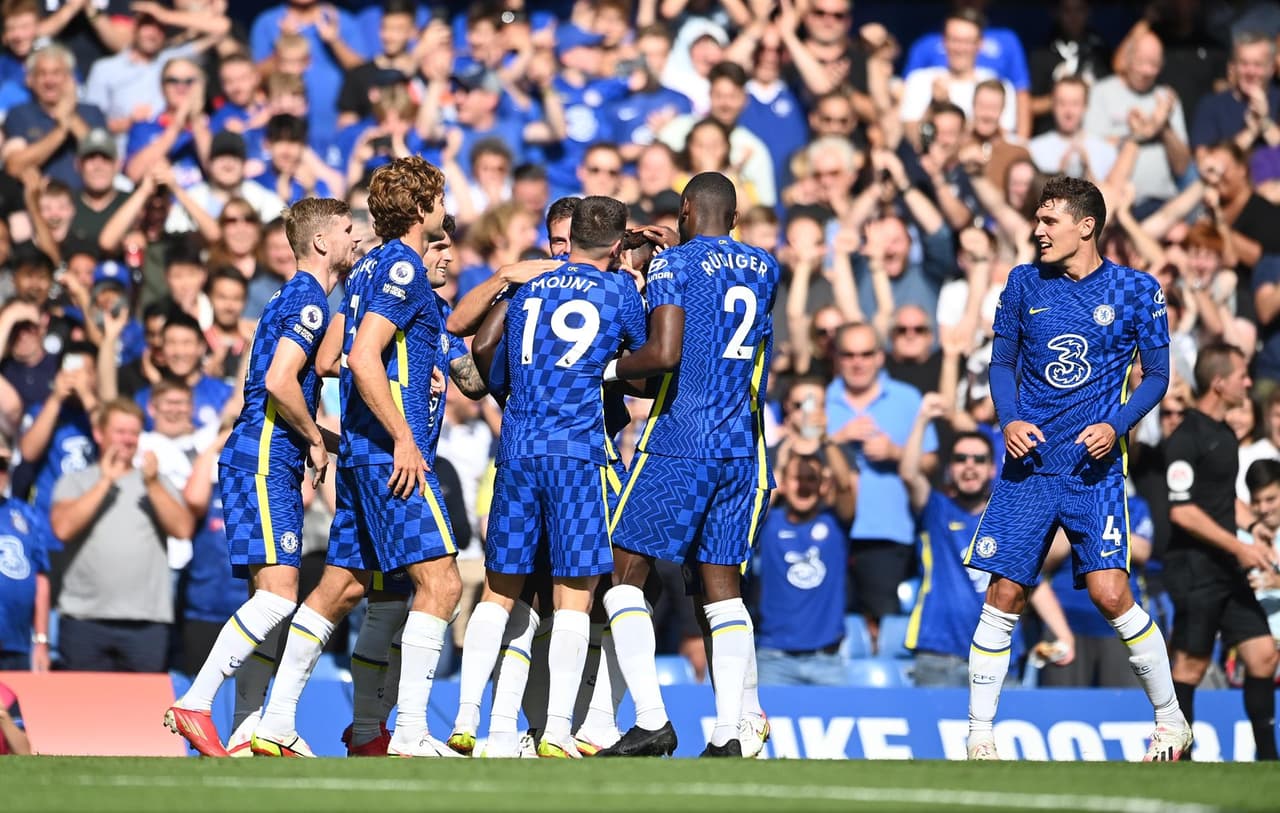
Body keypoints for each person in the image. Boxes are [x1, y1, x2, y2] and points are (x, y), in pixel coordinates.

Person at [964, 175, 1189, 761]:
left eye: (1049, 221)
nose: (1037, 231)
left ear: (1086, 226)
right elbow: (1001, 364)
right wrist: (1009, 418)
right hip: (1029, 468)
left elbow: (1159, 377)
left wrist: (1115, 424)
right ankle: (979, 735)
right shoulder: (1021, 282)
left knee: (1113, 594)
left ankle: (1170, 721)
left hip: (1094, 473)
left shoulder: (1137, 289)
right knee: (1004, 592)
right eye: (1037, 220)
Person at [256, 211, 487, 758]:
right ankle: (409, 731)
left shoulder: (412, 300)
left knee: (345, 590)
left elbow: (473, 383)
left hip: (363, 461)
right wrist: (396, 410)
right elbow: (353, 358)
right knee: (444, 586)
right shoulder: (398, 275)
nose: (448, 257)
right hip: (393, 458)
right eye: (440, 245)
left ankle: (283, 721)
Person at [453, 196, 646, 759]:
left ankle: (469, 720)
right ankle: (558, 729)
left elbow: (483, 343)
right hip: (577, 453)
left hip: (516, 448)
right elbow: (645, 351)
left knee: (498, 591)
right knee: (574, 595)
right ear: (614, 246)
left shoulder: (530, 287)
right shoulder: (617, 292)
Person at [164, 197, 355, 757]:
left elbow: (285, 378)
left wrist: (327, 440)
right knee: (277, 600)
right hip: (266, 458)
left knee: (267, 598)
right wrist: (317, 440)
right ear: (320, 242)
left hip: (261, 452)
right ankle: (196, 702)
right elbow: (278, 379)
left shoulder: (288, 296)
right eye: (347, 231)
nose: (354, 239)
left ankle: (249, 729)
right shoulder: (309, 299)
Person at [603, 171, 780, 757]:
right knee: (722, 587)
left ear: (684, 210)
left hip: (683, 437)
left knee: (624, 568)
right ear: (733, 216)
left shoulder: (671, 267)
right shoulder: (766, 268)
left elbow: (665, 353)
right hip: (742, 446)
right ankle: (731, 732)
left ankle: (651, 719)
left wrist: (605, 370)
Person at [1165, 344, 1279, 761]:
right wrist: (1239, 546)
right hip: (1194, 567)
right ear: (1218, 382)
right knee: (1190, 667)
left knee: (1263, 655)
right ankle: (1179, 756)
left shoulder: (1225, 435)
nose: (1247, 383)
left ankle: (1268, 760)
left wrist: (1254, 527)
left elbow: (1222, 497)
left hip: (1226, 564)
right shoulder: (1185, 438)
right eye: (1241, 375)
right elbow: (1183, 512)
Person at [50, 399, 194, 673]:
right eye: (120, 431)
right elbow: (63, 528)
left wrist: (151, 484)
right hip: (84, 619)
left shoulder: (157, 481)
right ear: (99, 433)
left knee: (142, 712)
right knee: (82, 710)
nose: (127, 440)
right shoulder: (75, 481)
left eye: (134, 433)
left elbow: (183, 529)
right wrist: (106, 481)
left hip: (146, 623)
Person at [753, 448, 856, 687]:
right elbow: (758, 501)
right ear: (784, 484)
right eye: (797, 478)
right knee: (765, 725)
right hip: (774, 660)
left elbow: (844, 486)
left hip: (827, 661)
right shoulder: (769, 524)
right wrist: (788, 449)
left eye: (812, 479)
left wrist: (825, 441)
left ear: (822, 485)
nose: (804, 486)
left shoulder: (835, 524)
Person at [0, 436, 53, 672]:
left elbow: (41, 578)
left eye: (3, 467)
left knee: (11, 709)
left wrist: (41, 640)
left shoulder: (24, 514)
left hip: (16, 645)